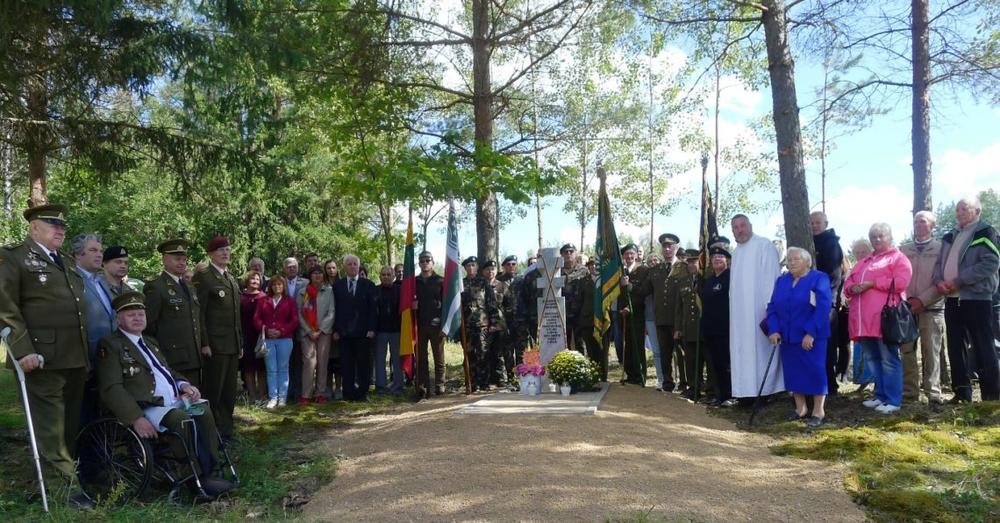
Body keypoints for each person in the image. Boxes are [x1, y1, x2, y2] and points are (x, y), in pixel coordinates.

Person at [95, 291, 234, 498]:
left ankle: (211, 471)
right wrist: (136, 418)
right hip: (148, 407)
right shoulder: (111, 345)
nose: (137, 317)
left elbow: (167, 372)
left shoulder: (150, 342)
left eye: (140, 314)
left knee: (203, 410)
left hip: (173, 401)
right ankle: (193, 477)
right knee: (181, 419)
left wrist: (184, 384)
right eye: (130, 314)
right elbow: (111, 388)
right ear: (118, 319)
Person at [0, 204, 91, 508]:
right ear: (33, 227)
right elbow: (5, 308)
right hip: (40, 358)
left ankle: (66, 475)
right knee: (50, 428)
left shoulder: (63, 261)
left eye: (63, 226)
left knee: (67, 426)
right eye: (52, 224)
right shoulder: (14, 257)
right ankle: (64, 491)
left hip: (74, 357)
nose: (60, 230)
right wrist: (22, 351)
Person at [933, 196, 1000, 403]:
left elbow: (990, 263)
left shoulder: (985, 231)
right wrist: (939, 282)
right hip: (952, 299)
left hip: (977, 298)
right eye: (957, 209)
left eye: (964, 208)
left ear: (977, 211)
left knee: (983, 344)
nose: (959, 212)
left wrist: (960, 280)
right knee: (955, 345)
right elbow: (939, 264)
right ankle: (962, 392)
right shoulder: (950, 235)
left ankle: (992, 394)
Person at [845, 223, 913, 414]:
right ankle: (881, 395)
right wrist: (852, 288)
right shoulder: (864, 261)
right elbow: (849, 281)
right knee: (873, 358)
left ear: (890, 237)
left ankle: (893, 399)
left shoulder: (898, 258)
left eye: (880, 236)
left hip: (884, 318)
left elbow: (901, 282)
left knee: (889, 358)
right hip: (863, 320)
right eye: (873, 236)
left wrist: (873, 283)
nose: (877, 240)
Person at [766, 247, 833, 428]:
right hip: (787, 337)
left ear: (807, 261)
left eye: (796, 259)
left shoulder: (818, 278)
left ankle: (818, 411)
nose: (791, 262)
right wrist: (773, 329)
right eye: (789, 259)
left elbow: (823, 307)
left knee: (815, 371)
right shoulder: (782, 281)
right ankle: (800, 409)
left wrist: (811, 332)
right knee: (793, 372)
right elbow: (772, 307)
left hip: (812, 337)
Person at [729, 214, 783, 403]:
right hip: (739, 314)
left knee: (760, 350)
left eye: (743, 225)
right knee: (742, 350)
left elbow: (771, 279)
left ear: (750, 225)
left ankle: (766, 391)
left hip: (760, 310)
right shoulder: (736, 252)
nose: (740, 230)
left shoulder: (764, 245)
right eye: (735, 227)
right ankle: (745, 392)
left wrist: (771, 310)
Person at [192, 236, 242, 440]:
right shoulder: (204, 277)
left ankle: (227, 430)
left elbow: (235, 316)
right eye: (221, 250)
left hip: (231, 344)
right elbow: (199, 313)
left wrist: (240, 343)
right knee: (214, 391)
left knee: (230, 392)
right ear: (211, 254)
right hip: (215, 344)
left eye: (228, 250)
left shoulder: (230, 278)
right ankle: (211, 433)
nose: (225, 253)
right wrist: (204, 342)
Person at [899, 211, 946, 404]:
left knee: (931, 350)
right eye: (916, 221)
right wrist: (907, 300)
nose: (919, 224)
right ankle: (910, 392)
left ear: (932, 225)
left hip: (932, 307)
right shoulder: (903, 249)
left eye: (923, 221)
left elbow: (943, 278)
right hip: (906, 307)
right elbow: (898, 276)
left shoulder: (942, 249)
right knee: (907, 350)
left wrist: (922, 300)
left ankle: (933, 392)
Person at [144, 239, 203, 388]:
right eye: (177, 259)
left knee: (194, 400)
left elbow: (196, 318)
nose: (182, 263)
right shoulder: (156, 287)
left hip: (193, 354)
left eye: (184, 259)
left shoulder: (189, 286)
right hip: (172, 356)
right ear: (164, 259)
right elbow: (149, 325)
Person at [636, 233, 685, 391]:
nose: (667, 249)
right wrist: (628, 285)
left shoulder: (683, 268)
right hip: (661, 318)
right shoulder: (656, 269)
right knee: (665, 353)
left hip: (679, 319)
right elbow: (644, 290)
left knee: (682, 354)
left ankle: (685, 384)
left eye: (670, 246)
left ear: (676, 248)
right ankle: (667, 383)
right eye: (664, 246)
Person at [332, 254, 377, 401]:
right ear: (344, 267)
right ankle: (349, 393)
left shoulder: (369, 285)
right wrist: (335, 330)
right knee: (346, 365)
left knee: (364, 364)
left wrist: (371, 329)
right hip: (344, 334)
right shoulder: (337, 286)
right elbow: (335, 310)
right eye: (349, 264)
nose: (352, 266)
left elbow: (373, 310)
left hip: (363, 333)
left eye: (354, 264)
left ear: (358, 266)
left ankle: (362, 393)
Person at [810, 211, 846, 395]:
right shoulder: (808, 242)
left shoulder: (831, 244)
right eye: (812, 222)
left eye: (818, 222)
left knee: (827, 343)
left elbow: (833, 275)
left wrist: (824, 298)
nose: (815, 225)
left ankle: (830, 385)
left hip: (826, 301)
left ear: (825, 223)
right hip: (809, 301)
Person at [254, 276, 299, 408]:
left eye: (279, 284)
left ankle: (282, 398)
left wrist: (282, 331)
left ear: (284, 286)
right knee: (271, 369)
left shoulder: (290, 301)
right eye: (274, 284)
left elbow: (294, 320)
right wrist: (267, 330)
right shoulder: (263, 300)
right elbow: (256, 319)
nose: (277, 287)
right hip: (268, 340)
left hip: (285, 339)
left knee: (283, 369)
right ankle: (273, 398)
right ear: (270, 286)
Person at [462, 258, 502, 392]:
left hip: (482, 325)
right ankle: (472, 383)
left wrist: (494, 322)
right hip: (466, 326)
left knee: (483, 354)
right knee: (469, 354)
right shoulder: (460, 284)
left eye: (473, 265)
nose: (471, 268)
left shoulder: (483, 283)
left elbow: (491, 303)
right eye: (468, 265)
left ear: (477, 267)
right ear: (465, 268)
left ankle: (484, 383)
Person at [674, 249, 708, 400]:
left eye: (694, 262)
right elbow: (679, 308)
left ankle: (710, 388)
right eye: (689, 262)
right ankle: (693, 387)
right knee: (691, 359)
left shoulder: (705, 280)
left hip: (703, 327)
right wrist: (678, 328)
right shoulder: (683, 281)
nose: (692, 265)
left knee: (706, 359)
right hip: (688, 327)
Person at [702, 246, 734, 406]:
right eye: (714, 257)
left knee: (726, 363)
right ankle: (719, 395)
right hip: (710, 329)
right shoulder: (710, 280)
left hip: (725, 329)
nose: (716, 259)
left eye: (720, 257)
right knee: (715, 364)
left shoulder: (730, 278)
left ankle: (730, 395)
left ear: (727, 260)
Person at [297, 266, 334, 404]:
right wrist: (308, 331)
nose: (317, 276)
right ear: (310, 276)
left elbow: (331, 312)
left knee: (322, 362)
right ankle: (306, 394)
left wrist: (320, 330)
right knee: (309, 362)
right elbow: (299, 313)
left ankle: (320, 393)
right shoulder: (302, 292)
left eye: (320, 273)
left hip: (323, 332)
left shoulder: (329, 291)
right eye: (314, 273)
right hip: (307, 333)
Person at [414, 251, 445, 398]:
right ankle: (423, 386)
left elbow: (446, 305)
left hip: (436, 325)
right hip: (419, 325)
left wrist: (444, 325)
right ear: (419, 263)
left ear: (432, 262)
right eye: (422, 260)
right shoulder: (414, 282)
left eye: (427, 260)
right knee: (421, 358)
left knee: (438, 357)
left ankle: (440, 385)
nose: (425, 262)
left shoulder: (441, 281)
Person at [616, 243, 647, 384]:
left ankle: (640, 375)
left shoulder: (642, 270)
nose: (629, 256)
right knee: (627, 345)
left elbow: (642, 292)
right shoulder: (620, 272)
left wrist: (630, 306)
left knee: (637, 345)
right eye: (626, 254)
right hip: (623, 315)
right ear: (623, 256)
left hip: (637, 314)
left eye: (631, 253)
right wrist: (622, 308)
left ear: (635, 255)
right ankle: (630, 374)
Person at [373, 266, 403, 395]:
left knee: (397, 359)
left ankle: (398, 385)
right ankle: (380, 386)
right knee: (379, 359)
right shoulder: (375, 290)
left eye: (388, 274)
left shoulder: (400, 290)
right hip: (380, 330)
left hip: (397, 329)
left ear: (393, 276)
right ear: (380, 277)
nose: (386, 276)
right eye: (383, 275)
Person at [239, 271, 267, 404]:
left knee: (261, 367)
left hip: (261, 336)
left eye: (257, 279)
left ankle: (262, 395)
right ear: (247, 281)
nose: (255, 281)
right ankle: (252, 395)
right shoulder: (241, 297)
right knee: (248, 368)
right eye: (252, 279)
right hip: (245, 336)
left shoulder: (264, 297)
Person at [558, 244, 590, 353]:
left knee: (580, 342)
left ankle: (582, 366)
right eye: (565, 252)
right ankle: (566, 367)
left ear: (575, 254)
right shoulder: (556, 271)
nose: (568, 254)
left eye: (571, 251)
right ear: (561, 255)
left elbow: (589, 292)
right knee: (563, 343)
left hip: (580, 312)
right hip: (563, 313)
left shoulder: (584, 270)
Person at [323, 258, 342, 398]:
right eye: (328, 268)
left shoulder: (342, 284)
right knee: (327, 360)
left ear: (337, 269)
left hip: (338, 327)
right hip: (324, 327)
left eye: (333, 267)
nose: (331, 270)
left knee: (339, 361)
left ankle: (338, 388)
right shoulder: (322, 285)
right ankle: (328, 388)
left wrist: (338, 329)